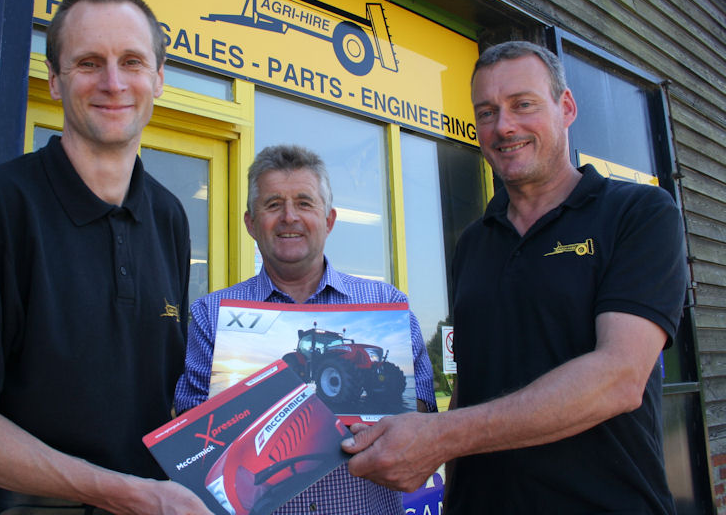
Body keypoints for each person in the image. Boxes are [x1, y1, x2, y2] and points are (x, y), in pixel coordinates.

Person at [342, 41, 687, 514]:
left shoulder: (638, 213)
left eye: (522, 105)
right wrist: (426, 452)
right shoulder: (473, 242)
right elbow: (472, 377)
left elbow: (620, 377)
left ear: (566, 108)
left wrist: (439, 437)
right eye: (486, 113)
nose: (503, 126)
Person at [0, 0, 212, 515]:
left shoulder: (169, 216)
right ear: (54, 81)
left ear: (159, 79)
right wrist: (131, 494)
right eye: (89, 62)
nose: (114, 83)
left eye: (132, 61)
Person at [175, 144, 437, 514]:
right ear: (251, 223)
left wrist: (390, 428)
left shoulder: (386, 303)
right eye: (272, 204)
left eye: (304, 202)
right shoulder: (211, 314)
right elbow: (192, 433)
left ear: (328, 220)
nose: (289, 217)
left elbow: (422, 411)